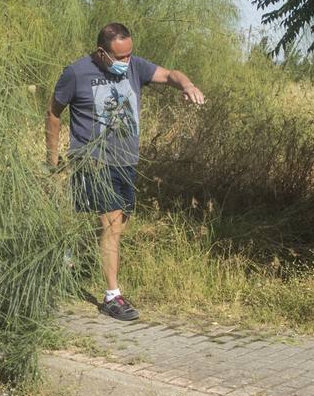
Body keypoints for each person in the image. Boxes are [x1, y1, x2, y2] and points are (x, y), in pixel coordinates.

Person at [46, 22, 206, 321]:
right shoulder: (76, 73)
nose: (126, 62)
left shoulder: (136, 67)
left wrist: (187, 85)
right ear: (101, 52)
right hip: (92, 160)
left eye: (129, 55)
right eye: (119, 57)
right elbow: (54, 112)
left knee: (118, 225)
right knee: (111, 223)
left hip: (126, 161)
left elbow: (171, 74)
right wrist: (51, 158)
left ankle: (67, 254)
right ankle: (112, 296)